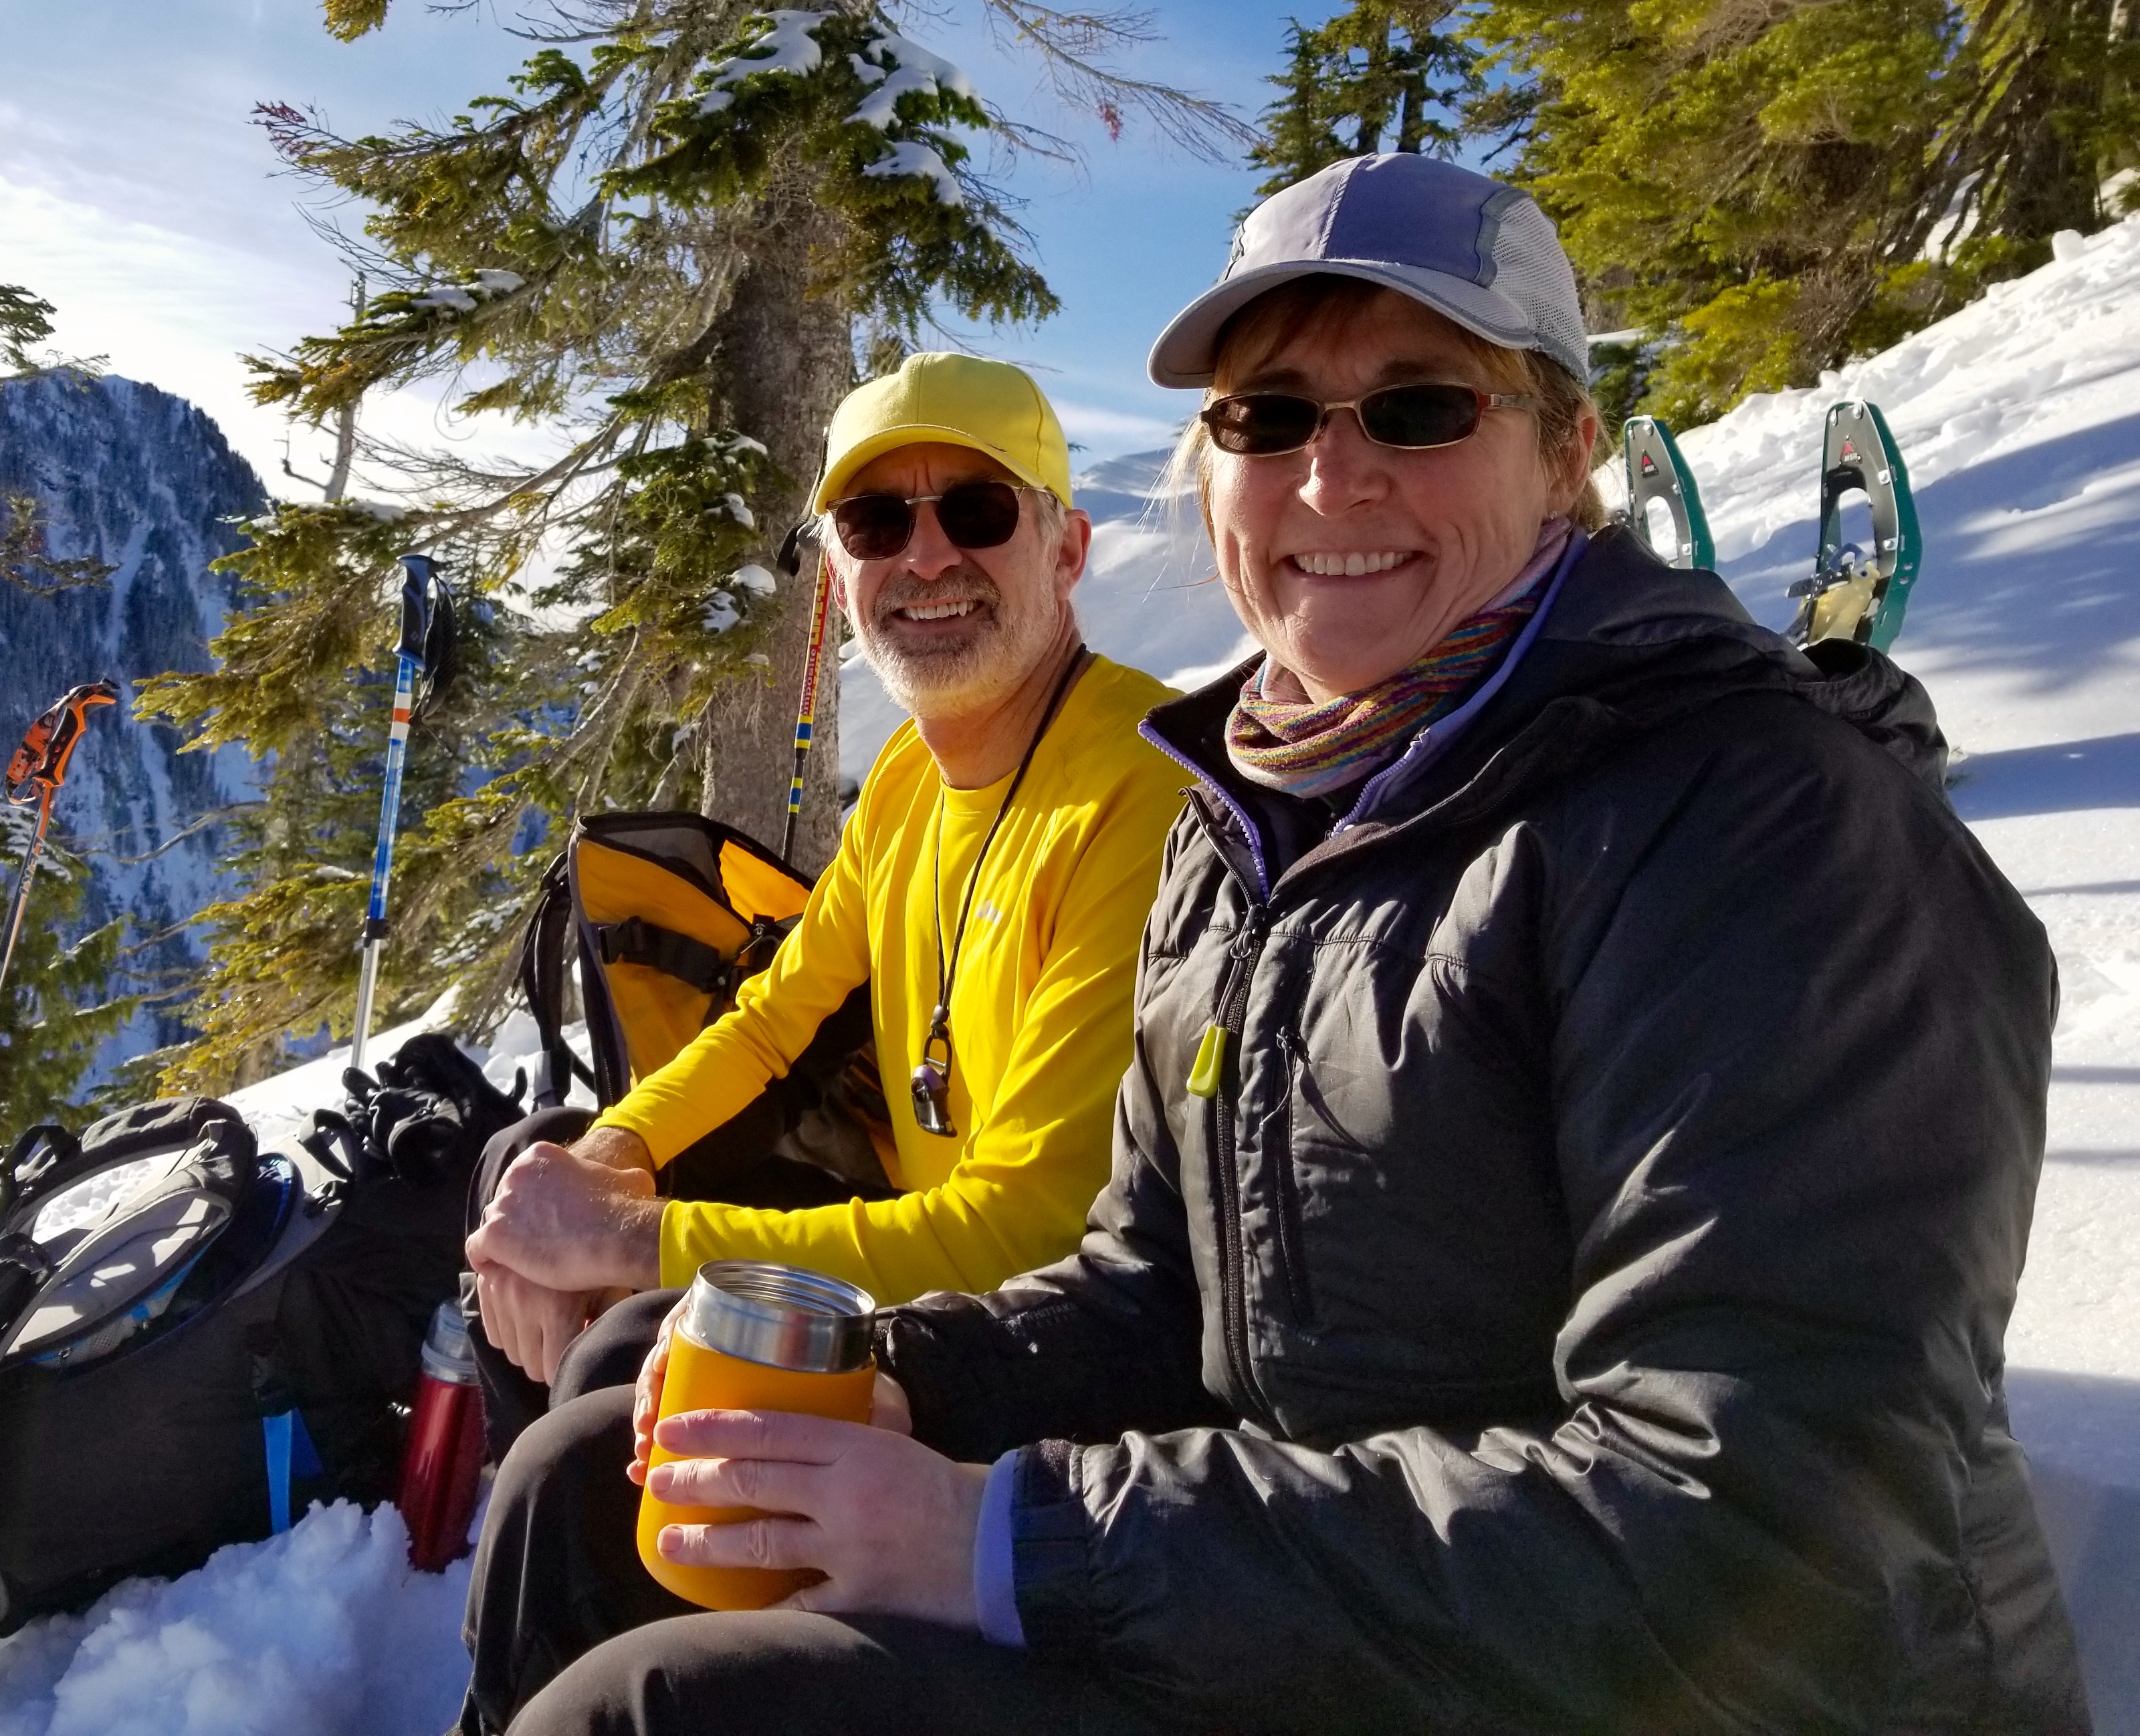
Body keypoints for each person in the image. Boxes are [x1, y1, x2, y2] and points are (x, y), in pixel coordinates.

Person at [471, 153, 2090, 1735]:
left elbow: (1756, 1530)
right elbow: (1147, 1285)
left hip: (1635, 1671)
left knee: (666, 1709)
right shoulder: (1260, 813)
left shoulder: (1757, 829)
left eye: (1420, 406)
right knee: (591, 1491)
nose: (1334, 474)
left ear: (1568, 454)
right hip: (1311, 1581)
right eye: (1270, 417)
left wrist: (1003, 1533)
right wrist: (905, 1377)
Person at [453, 353, 1192, 1725]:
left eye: (977, 509)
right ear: (840, 569)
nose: (926, 556)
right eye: (875, 520)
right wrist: (608, 1160)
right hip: (932, 1266)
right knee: (541, 1172)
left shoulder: (1134, 791)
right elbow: (774, 1015)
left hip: (1049, 1343)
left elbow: (1035, 1227)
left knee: (610, 1394)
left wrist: (627, 1243)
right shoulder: (911, 775)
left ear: (1067, 548)